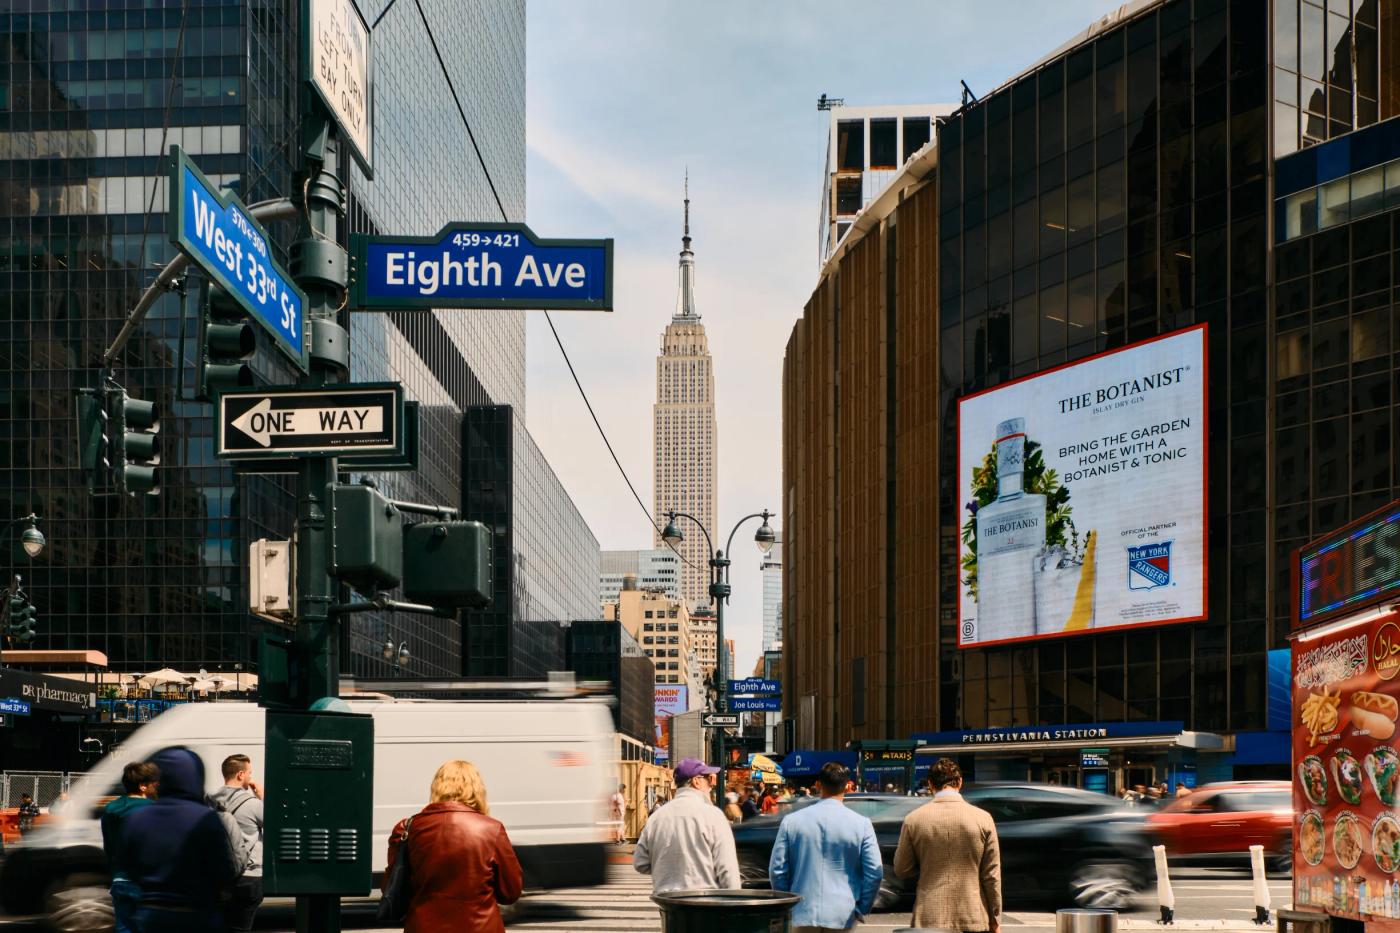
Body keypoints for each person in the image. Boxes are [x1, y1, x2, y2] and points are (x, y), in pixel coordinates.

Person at [385, 759, 522, 933]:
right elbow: (510, 893)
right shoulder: (491, 829)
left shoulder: (407, 829)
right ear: (477, 790)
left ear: (436, 787)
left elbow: (390, 887)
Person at [121, 747, 238, 933]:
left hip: (152, 915)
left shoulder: (137, 818)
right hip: (197, 915)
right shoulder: (206, 818)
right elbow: (223, 869)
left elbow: (129, 866)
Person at [769, 762, 883, 933]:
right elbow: (874, 872)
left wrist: (787, 905)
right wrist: (862, 907)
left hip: (801, 911)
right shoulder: (862, 824)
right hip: (843, 913)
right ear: (847, 785)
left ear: (818, 785)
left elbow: (777, 870)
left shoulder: (791, 822)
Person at [894, 758, 1001, 933]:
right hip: (972, 916)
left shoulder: (913, 819)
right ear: (959, 782)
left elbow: (901, 869)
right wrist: (995, 919)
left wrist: (927, 863)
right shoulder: (983, 818)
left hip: (928, 917)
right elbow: (991, 876)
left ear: (930, 784)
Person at [634, 757, 739, 894]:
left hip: (668, 904)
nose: (711, 784)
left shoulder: (656, 818)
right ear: (696, 781)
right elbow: (728, 871)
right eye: (709, 779)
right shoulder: (714, 816)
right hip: (706, 903)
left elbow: (640, 863)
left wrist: (666, 869)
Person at [208, 754, 265, 933]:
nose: (250, 776)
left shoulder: (208, 801)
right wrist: (262, 797)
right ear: (240, 775)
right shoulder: (253, 804)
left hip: (217, 875)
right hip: (248, 876)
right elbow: (277, 826)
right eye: (249, 772)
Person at [101, 762, 158, 933]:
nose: (156, 787)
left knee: (124, 928)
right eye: (153, 783)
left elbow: (109, 846)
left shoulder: (111, 809)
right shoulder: (154, 809)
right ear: (143, 786)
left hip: (120, 880)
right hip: (146, 882)